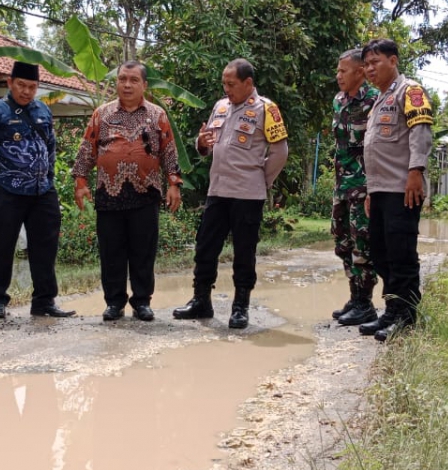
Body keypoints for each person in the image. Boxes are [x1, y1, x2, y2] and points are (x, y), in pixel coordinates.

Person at [173, 59, 289, 329]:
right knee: (205, 246)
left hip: (248, 194)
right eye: (224, 83)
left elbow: (279, 153)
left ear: (248, 83)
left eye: (231, 84)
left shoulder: (267, 109)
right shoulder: (220, 106)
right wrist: (201, 144)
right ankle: (201, 301)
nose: (226, 89)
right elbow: (208, 145)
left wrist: (262, 180)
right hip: (218, 190)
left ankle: (240, 307)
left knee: (244, 252)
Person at [72, 61, 184, 322]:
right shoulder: (102, 114)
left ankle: (142, 302)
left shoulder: (157, 115)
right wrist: (80, 182)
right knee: (111, 251)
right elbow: (88, 149)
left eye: (134, 80)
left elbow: (169, 151)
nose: (127, 84)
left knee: (143, 251)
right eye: (122, 79)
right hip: (108, 193)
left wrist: (174, 185)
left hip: (145, 193)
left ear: (144, 85)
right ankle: (114, 303)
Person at [0, 61, 76, 320]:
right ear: (10, 83)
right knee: (2, 245)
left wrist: (49, 178)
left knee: (45, 246)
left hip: (42, 191)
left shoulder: (43, 111)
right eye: (21, 85)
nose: (26, 92)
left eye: (32, 87)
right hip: (5, 189)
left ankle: (44, 301)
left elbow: (51, 147)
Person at [356, 39, 433, 341]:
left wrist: (416, 171)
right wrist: (370, 191)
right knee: (380, 251)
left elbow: (420, 131)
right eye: (366, 64)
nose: (369, 69)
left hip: (403, 188)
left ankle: (406, 316)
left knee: (401, 253)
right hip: (381, 190)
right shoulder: (379, 99)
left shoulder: (410, 91)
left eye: (375, 62)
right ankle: (392, 308)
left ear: (393, 60)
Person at [330, 49, 380, 326]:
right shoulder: (338, 101)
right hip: (341, 184)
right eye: (337, 71)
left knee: (362, 242)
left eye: (343, 71)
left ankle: (366, 302)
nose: (338, 76)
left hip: (363, 184)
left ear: (361, 72)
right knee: (342, 241)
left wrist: (373, 188)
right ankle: (355, 296)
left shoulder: (374, 100)